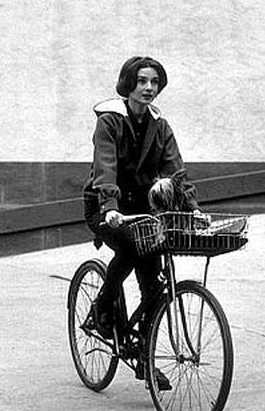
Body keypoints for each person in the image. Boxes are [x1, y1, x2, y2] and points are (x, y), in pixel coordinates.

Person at [83, 56, 202, 387]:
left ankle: (143, 357)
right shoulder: (110, 121)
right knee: (133, 248)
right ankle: (101, 309)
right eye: (142, 81)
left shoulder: (160, 126)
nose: (149, 88)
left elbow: (176, 170)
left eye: (154, 82)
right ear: (128, 84)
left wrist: (192, 207)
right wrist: (109, 205)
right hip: (105, 206)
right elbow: (104, 165)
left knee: (153, 283)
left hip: (144, 211)